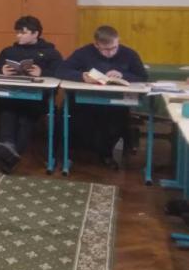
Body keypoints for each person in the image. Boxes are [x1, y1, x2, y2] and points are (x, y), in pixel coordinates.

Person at [57, 25, 148, 167]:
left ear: (118, 41)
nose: (110, 53)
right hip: (85, 101)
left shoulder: (129, 54)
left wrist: (123, 75)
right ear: (96, 45)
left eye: (114, 48)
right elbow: (61, 70)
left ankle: (106, 153)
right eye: (105, 49)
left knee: (116, 122)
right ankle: (70, 153)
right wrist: (82, 76)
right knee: (71, 118)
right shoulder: (84, 53)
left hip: (116, 102)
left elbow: (142, 76)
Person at [0, 16, 63, 173]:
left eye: (23, 33)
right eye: (17, 32)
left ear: (36, 34)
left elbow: (61, 73)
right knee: (7, 110)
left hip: (36, 99)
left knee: (25, 116)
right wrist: (1, 70)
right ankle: (9, 147)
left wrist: (42, 72)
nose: (18, 36)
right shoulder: (8, 51)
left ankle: (10, 152)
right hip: (11, 96)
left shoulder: (51, 53)